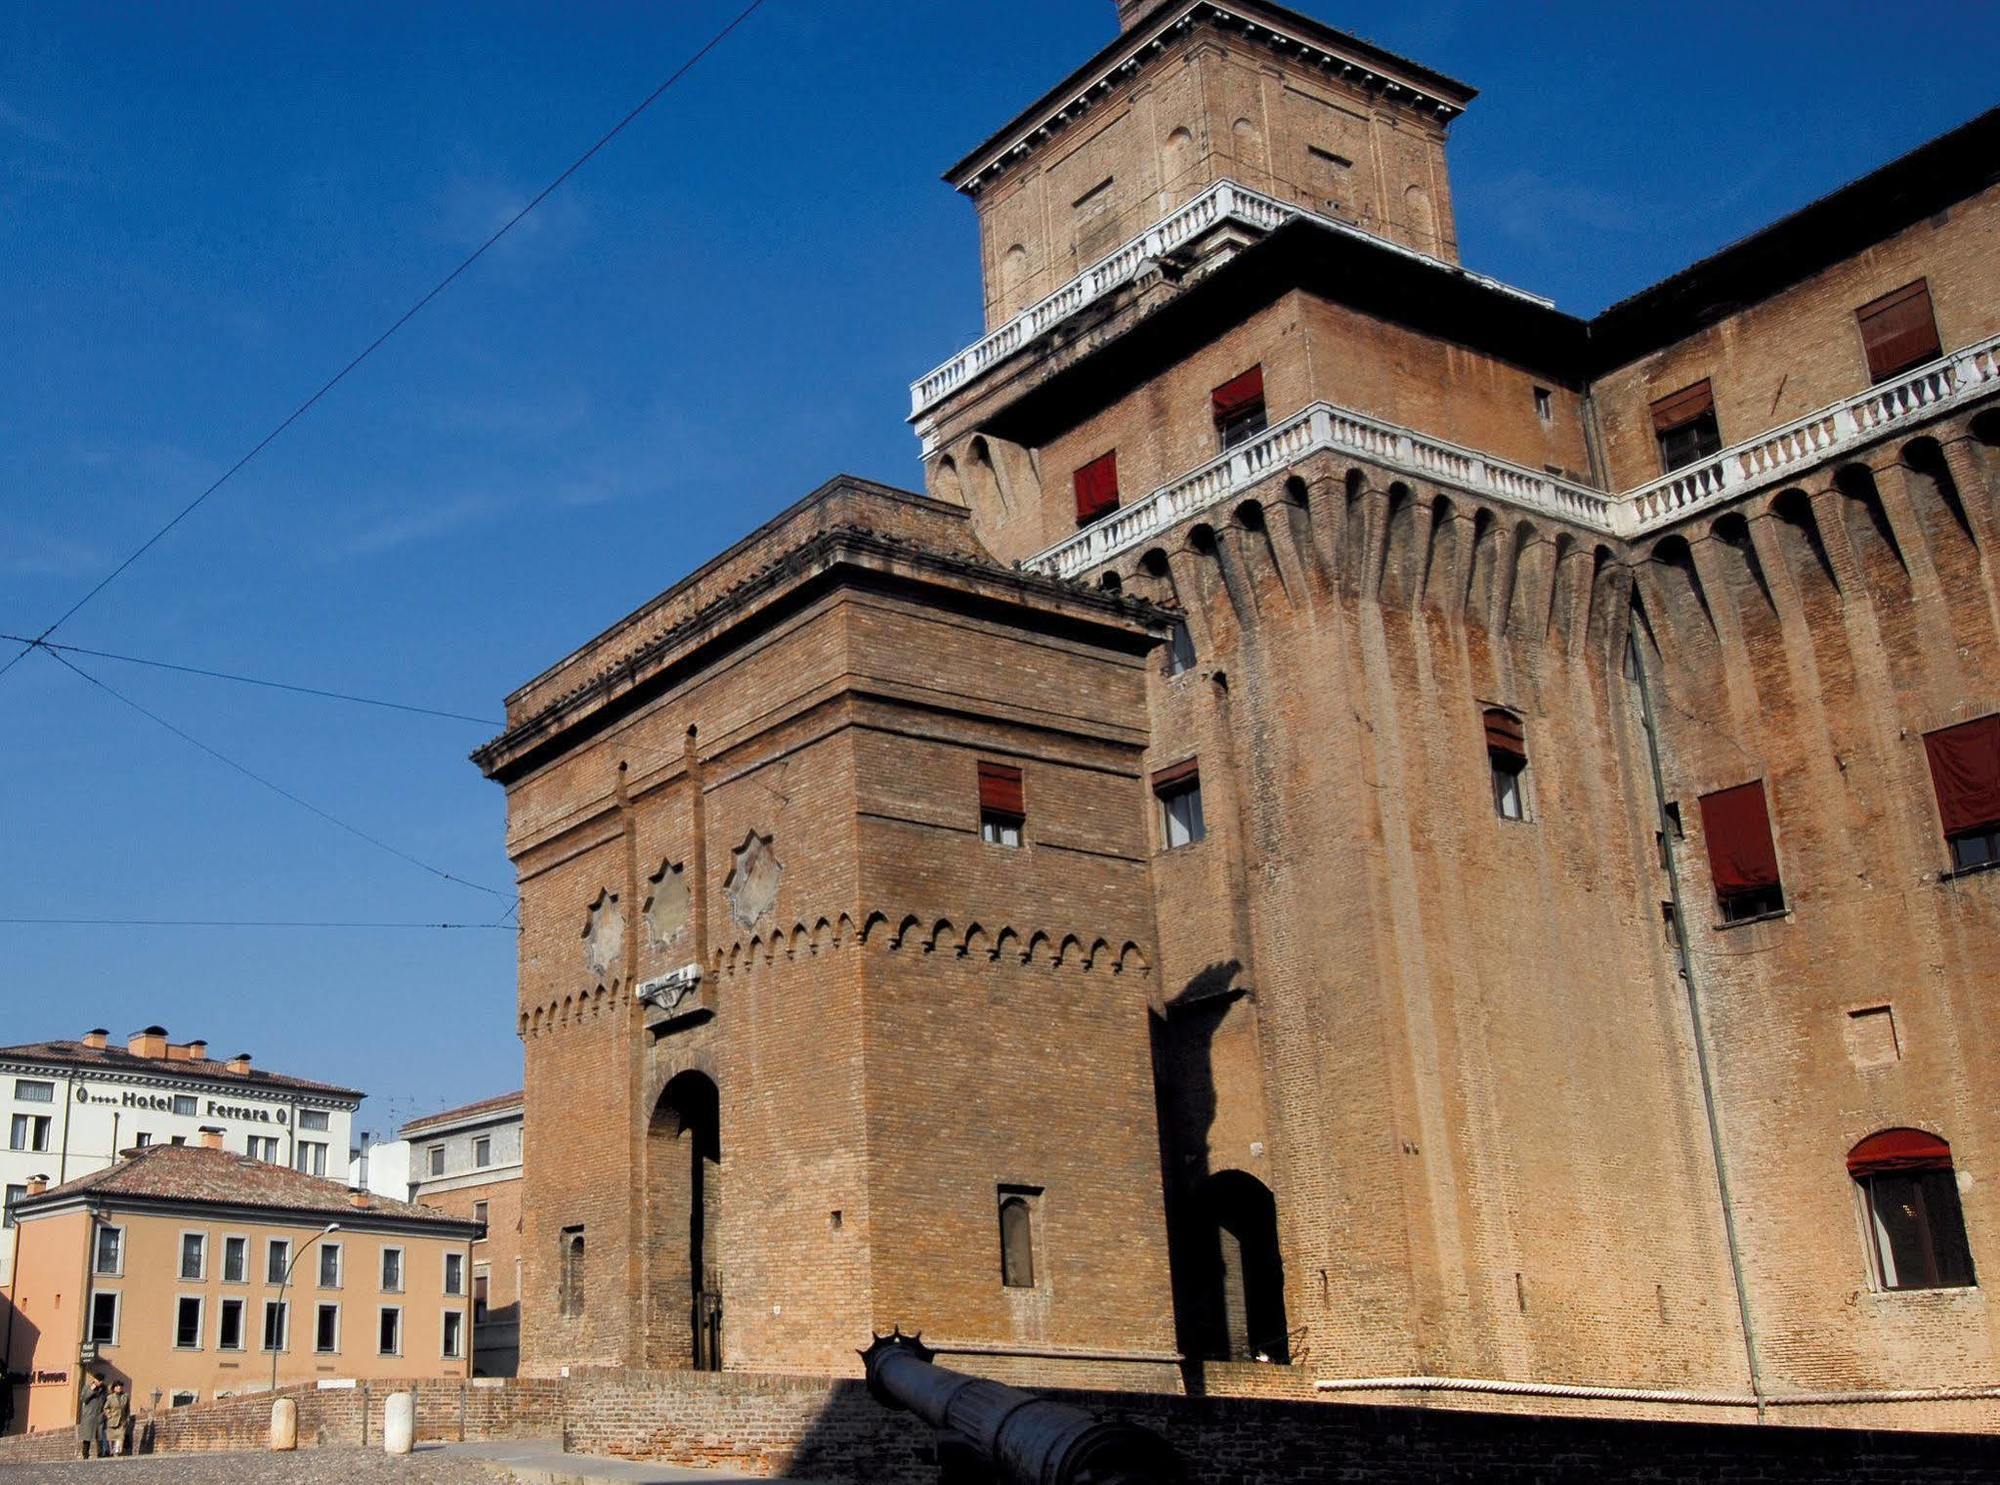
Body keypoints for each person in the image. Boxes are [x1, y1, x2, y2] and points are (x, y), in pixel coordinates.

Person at [76, 1373, 106, 1459]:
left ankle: (100, 1454)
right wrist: (91, 1390)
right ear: (94, 1379)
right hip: (89, 1415)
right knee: (87, 1436)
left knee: (99, 1435)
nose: (99, 1382)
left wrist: (104, 1412)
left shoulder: (103, 1389)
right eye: (98, 1380)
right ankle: (85, 1454)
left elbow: (105, 1400)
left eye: (101, 1381)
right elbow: (83, 1398)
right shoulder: (87, 1387)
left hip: (99, 1415)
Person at [102, 1382, 130, 1457]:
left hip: (122, 1420)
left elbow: (127, 1408)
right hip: (112, 1420)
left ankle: (117, 1452)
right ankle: (112, 1451)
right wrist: (109, 1415)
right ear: (114, 1388)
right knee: (112, 1437)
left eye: (120, 1387)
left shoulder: (125, 1396)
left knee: (120, 1437)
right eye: (117, 1387)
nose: (119, 1388)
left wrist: (127, 1418)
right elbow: (106, 1408)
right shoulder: (110, 1397)